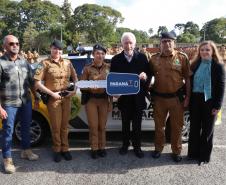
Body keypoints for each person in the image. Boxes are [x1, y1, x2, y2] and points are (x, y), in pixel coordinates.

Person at [149, 32, 191, 162]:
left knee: (177, 127)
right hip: (159, 99)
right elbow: (148, 77)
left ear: (174, 43)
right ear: (160, 44)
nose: (166, 43)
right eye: (163, 41)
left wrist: (188, 97)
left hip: (176, 99)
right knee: (159, 127)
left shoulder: (182, 58)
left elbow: (188, 79)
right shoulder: (153, 58)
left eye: (169, 41)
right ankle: (158, 148)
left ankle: (176, 151)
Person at [0, 35, 39, 174]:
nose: (15, 45)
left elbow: (31, 81)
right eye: (11, 43)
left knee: (26, 126)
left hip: (25, 101)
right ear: (4, 46)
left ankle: (26, 151)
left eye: (17, 43)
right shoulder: (1, 63)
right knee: (8, 131)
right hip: (8, 103)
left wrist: (37, 97)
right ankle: (7, 159)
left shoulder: (24, 62)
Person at [34, 40, 78, 162]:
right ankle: (57, 150)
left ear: (62, 51)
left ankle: (65, 149)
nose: (57, 51)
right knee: (56, 127)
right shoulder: (44, 63)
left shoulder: (68, 63)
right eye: (55, 49)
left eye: (59, 50)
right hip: (53, 99)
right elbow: (37, 83)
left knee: (65, 126)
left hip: (66, 98)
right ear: (50, 49)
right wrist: (52, 93)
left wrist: (74, 91)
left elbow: (75, 79)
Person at [110, 32, 150, 158]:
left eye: (130, 42)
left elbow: (149, 75)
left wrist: (145, 76)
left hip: (138, 99)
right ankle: (125, 145)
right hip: (124, 99)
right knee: (125, 125)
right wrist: (115, 92)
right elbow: (113, 79)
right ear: (122, 44)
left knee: (137, 125)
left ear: (134, 43)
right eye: (126, 43)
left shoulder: (143, 58)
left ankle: (137, 147)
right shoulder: (116, 59)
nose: (128, 45)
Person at [188, 40, 225, 166]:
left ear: (213, 51)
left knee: (207, 130)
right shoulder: (194, 64)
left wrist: (217, 106)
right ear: (199, 51)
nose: (204, 52)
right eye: (202, 50)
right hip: (195, 99)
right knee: (194, 128)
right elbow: (188, 81)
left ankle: (204, 157)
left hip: (210, 100)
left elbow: (221, 86)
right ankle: (192, 154)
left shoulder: (218, 66)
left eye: (207, 50)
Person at [80, 44, 111, 159]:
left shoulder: (109, 67)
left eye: (102, 53)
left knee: (102, 126)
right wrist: (90, 87)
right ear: (93, 54)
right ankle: (94, 148)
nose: (100, 55)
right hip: (91, 100)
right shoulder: (87, 68)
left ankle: (102, 147)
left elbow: (113, 84)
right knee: (93, 126)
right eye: (98, 53)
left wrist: (111, 102)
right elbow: (82, 85)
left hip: (104, 99)